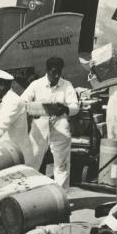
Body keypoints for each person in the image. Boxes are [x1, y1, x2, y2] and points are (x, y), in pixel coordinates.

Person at [22, 56, 79, 189]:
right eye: (53, 72)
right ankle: (29, 194)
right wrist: (32, 110)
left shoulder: (67, 85)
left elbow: (75, 107)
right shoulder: (36, 85)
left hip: (60, 127)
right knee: (32, 162)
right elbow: (22, 102)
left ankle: (61, 198)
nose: (56, 75)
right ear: (47, 71)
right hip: (39, 128)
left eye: (59, 72)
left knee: (62, 165)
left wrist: (65, 108)